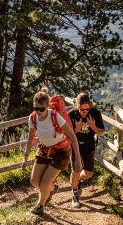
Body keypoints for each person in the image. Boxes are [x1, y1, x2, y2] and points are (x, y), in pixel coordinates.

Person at [22, 87, 82, 215]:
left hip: (61, 153)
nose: (38, 112)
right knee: (34, 182)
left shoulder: (55, 117)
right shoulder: (33, 118)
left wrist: (77, 159)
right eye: (35, 108)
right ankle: (52, 189)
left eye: (41, 109)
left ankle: (40, 205)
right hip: (44, 150)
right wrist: (25, 156)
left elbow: (72, 136)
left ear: (47, 106)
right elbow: (31, 137)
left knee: (44, 183)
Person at [68, 91, 105, 208]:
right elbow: (66, 135)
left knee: (89, 173)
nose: (85, 112)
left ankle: (77, 181)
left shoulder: (95, 114)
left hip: (89, 146)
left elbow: (101, 131)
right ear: (77, 106)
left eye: (87, 109)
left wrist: (92, 126)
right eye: (82, 109)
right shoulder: (71, 115)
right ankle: (74, 196)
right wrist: (76, 129)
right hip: (75, 146)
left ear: (90, 106)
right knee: (76, 170)